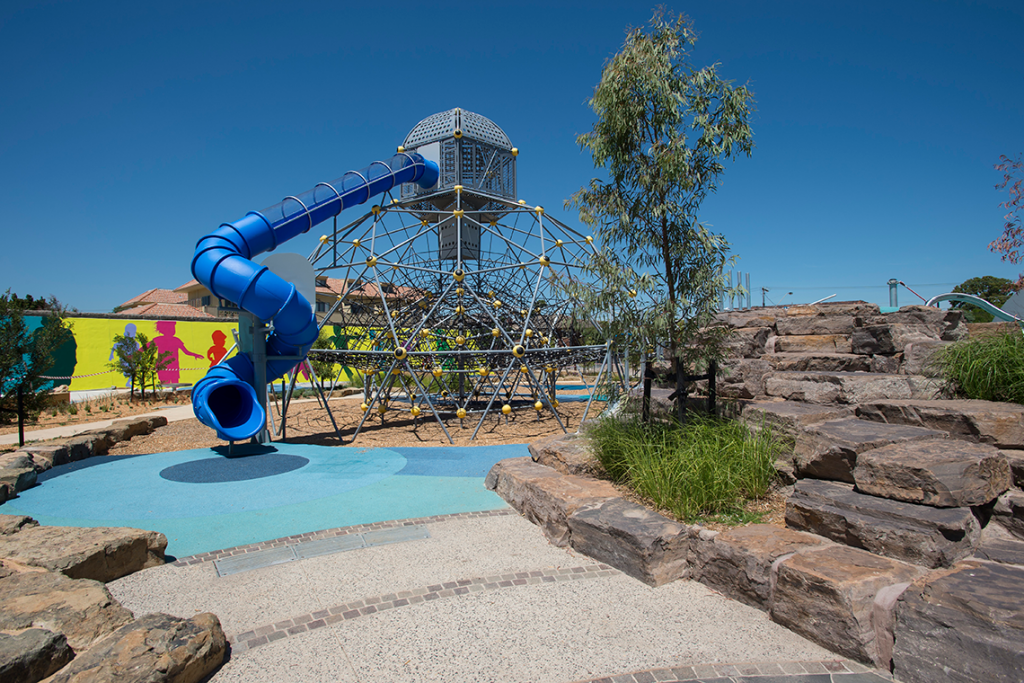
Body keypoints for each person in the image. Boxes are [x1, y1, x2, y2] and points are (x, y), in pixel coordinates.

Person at [151, 320, 203, 385]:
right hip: (163, 367)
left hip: (174, 367)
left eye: (173, 328)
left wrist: (195, 355)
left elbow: (186, 351)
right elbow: (146, 347)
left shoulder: (176, 340)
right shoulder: (159, 340)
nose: (172, 330)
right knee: (165, 385)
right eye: (170, 328)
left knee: (175, 384)